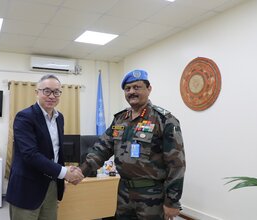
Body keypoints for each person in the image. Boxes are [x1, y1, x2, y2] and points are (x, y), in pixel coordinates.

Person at [79, 69, 186, 220]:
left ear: (149, 89)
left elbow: (176, 164)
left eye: (137, 87)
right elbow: (102, 148)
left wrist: (172, 201)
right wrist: (80, 171)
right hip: (124, 192)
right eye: (127, 89)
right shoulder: (120, 119)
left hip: (152, 194)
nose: (131, 92)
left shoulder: (165, 120)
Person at [6, 74, 84, 220]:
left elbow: (56, 152)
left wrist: (65, 173)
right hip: (27, 187)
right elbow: (30, 154)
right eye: (46, 91)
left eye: (56, 92)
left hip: (51, 185)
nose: (51, 96)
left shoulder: (59, 118)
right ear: (37, 92)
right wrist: (64, 172)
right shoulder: (24, 117)